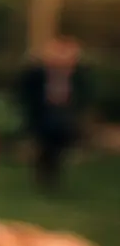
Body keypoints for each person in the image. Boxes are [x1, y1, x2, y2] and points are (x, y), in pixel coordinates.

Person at [18, 35, 92, 191]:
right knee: (48, 136)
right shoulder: (37, 74)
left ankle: (52, 171)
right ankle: (44, 171)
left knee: (60, 137)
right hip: (43, 114)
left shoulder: (79, 76)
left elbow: (84, 97)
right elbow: (26, 94)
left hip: (66, 114)